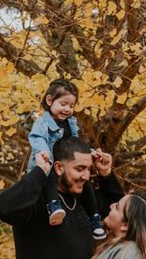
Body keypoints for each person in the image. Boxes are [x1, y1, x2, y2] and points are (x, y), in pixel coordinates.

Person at [27, 79, 106, 239]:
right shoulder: (42, 123)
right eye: (63, 104)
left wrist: (89, 152)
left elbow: (75, 144)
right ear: (49, 101)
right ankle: (53, 205)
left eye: (71, 106)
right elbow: (36, 138)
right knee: (48, 173)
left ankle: (94, 218)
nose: (67, 109)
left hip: (64, 166)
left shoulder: (70, 124)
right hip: (47, 163)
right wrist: (44, 152)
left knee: (87, 183)